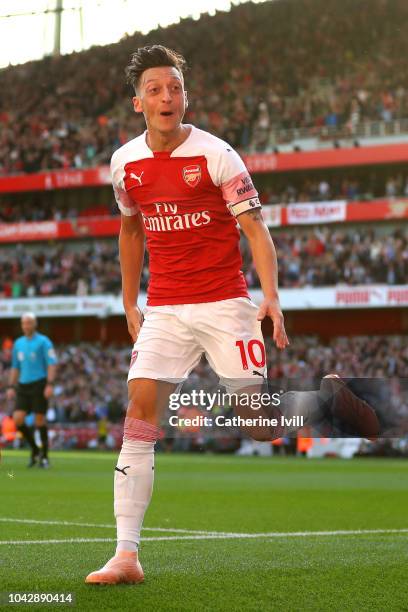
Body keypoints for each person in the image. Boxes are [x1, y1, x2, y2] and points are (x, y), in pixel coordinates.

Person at [85, 45, 378, 585]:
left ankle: (333, 401)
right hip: (167, 308)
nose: (166, 96)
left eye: (174, 87)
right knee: (140, 408)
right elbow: (130, 231)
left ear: (185, 97)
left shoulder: (218, 154)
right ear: (138, 102)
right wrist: (130, 301)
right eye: (155, 89)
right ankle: (126, 555)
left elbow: (255, 227)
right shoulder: (125, 163)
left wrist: (272, 296)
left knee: (260, 427)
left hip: (225, 303)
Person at [6, 312, 57, 468]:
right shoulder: (18, 344)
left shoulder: (44, 342)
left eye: (29, 323)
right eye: (24, 323)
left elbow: (51, 363)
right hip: (23, 385)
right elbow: (15, 367)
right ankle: (35, 449)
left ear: (35, 324)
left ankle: (45, 456)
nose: (26, 326)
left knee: (39, 420)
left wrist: (49, 383)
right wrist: (10, 386)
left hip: (39, 384)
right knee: (17, 418)